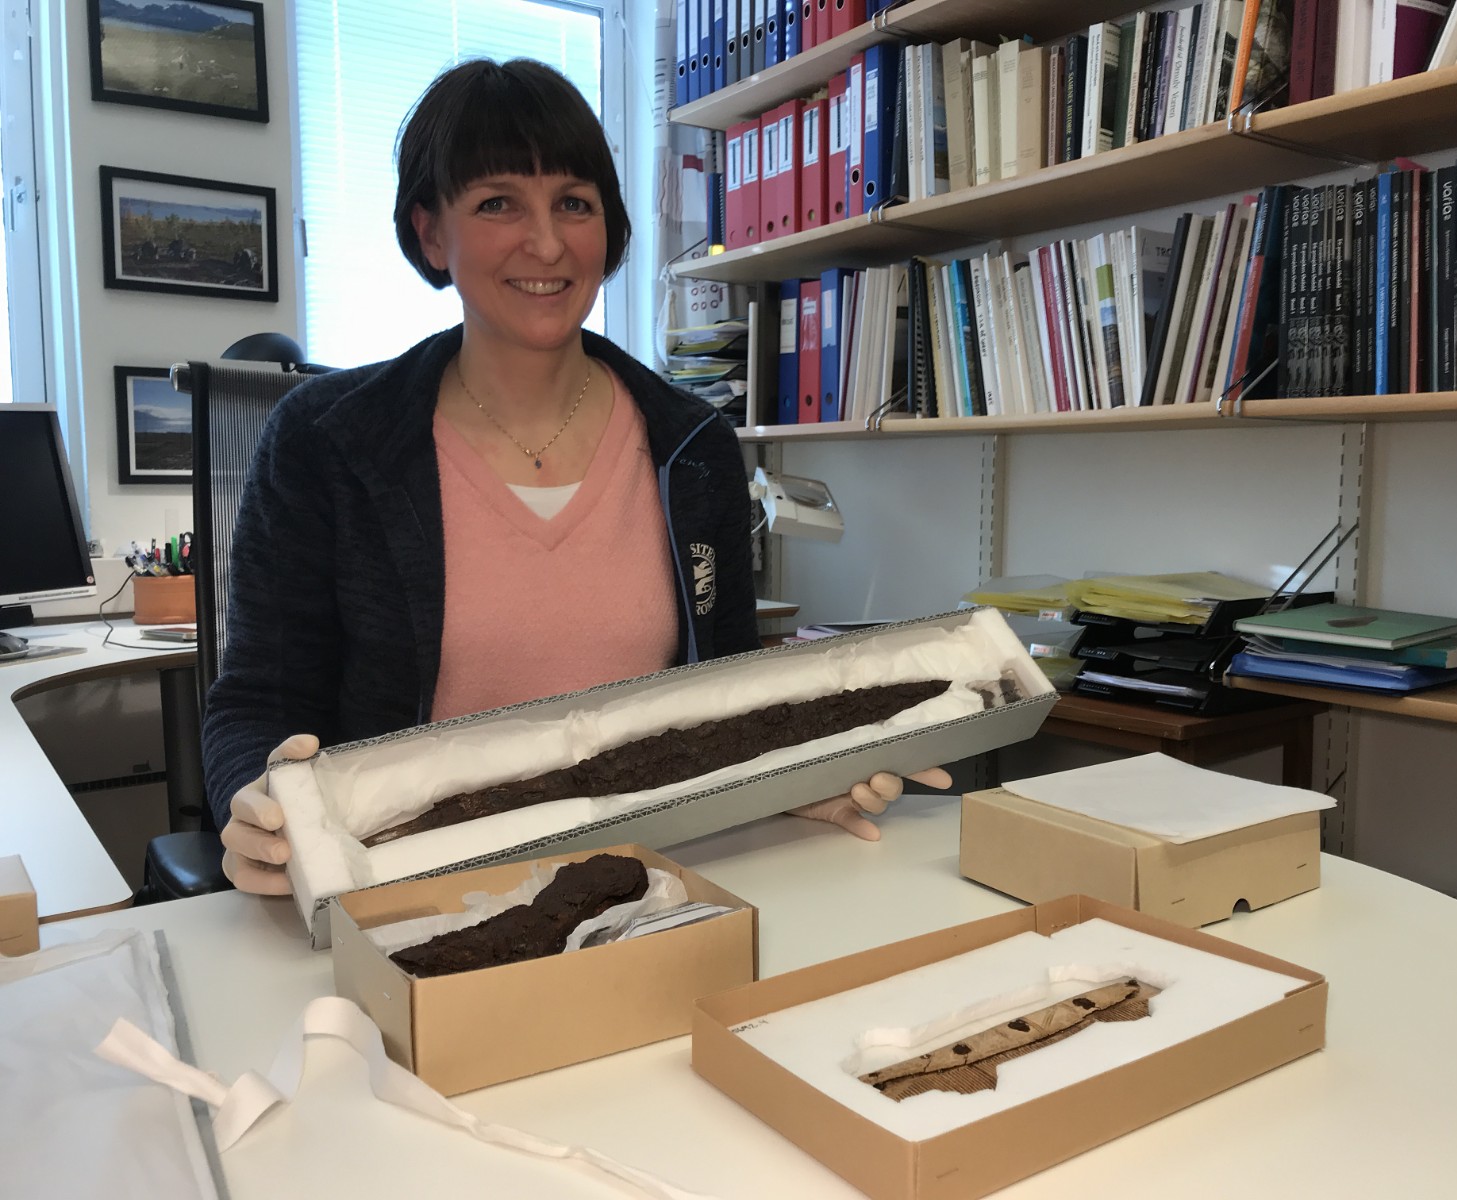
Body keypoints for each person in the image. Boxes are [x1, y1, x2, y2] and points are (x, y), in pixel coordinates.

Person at [204, 58, 950, 895]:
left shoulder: (692, 444)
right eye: (497, 204)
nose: (548, 242)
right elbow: (258, 704)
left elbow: (730, 698)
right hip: (404, 897)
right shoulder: (326, 440)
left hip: (652, 888)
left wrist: (789, 783)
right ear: (430, 232)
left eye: (573, 203)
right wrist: (256, 804)